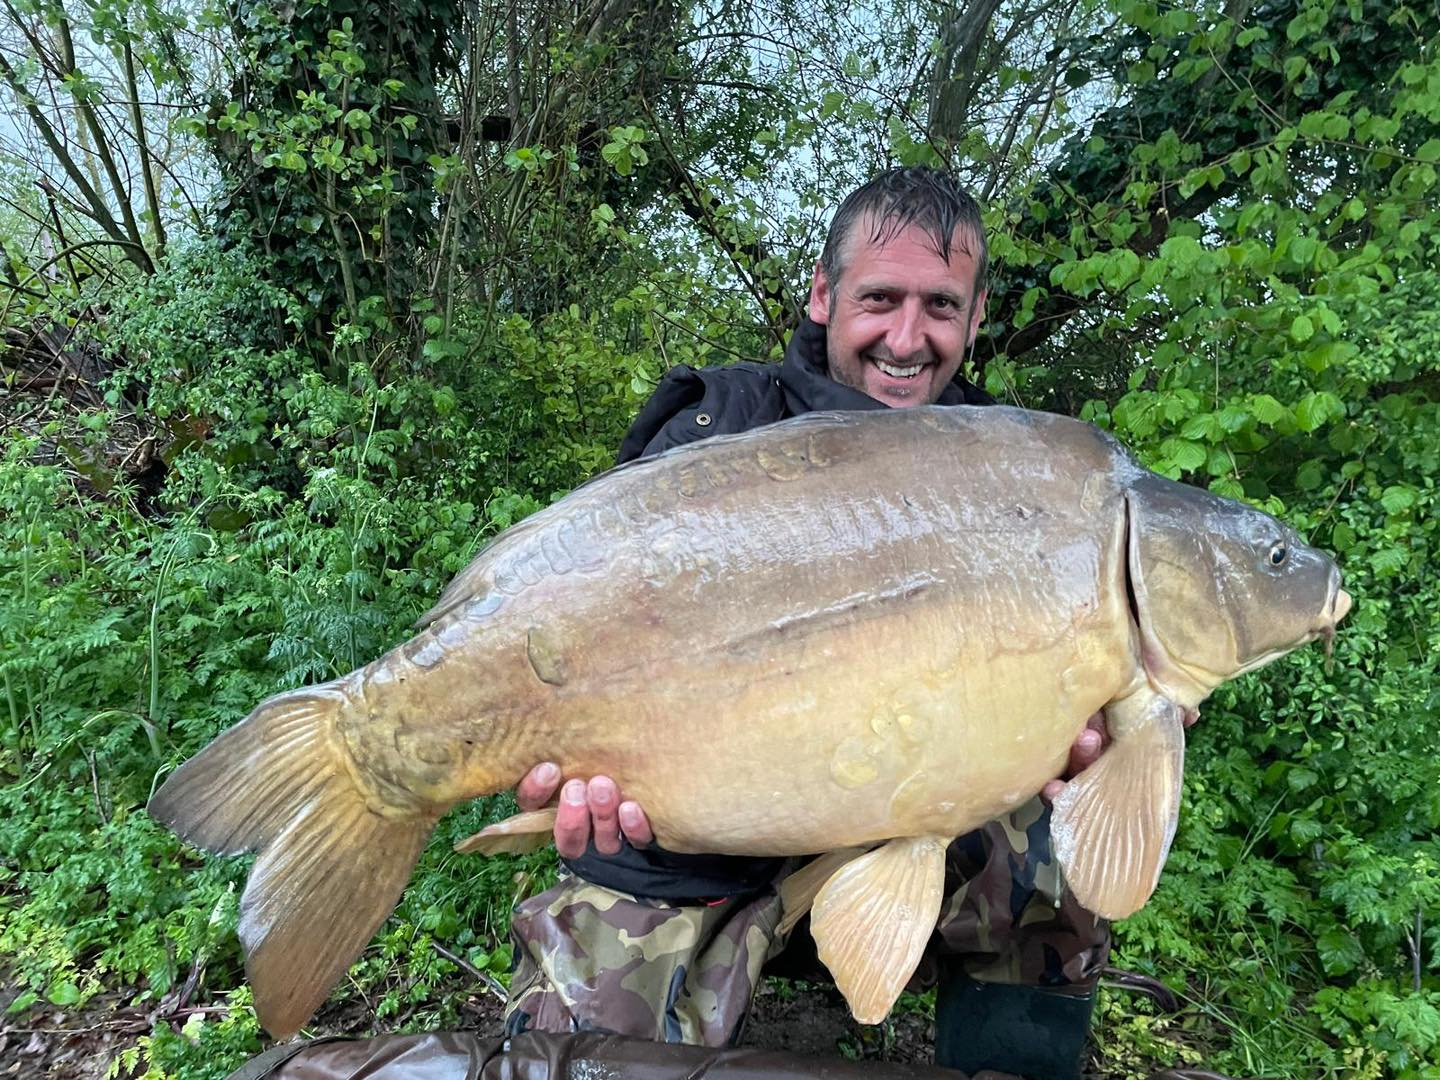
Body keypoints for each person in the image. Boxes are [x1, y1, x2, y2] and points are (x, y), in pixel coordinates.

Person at [500, 166, 1112, 1079]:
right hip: (706, 843)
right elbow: (585, 634)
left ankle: (1008, 1060)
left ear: (977, 315)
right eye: (880, 299)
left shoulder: (1024, 469)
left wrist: (1113, 715)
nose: (906, 338)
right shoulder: (714, 431)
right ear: (824, 295)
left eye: (941, 306)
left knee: (1065, 850)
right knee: (579, 1053)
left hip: (922, 828)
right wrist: (566, 758)